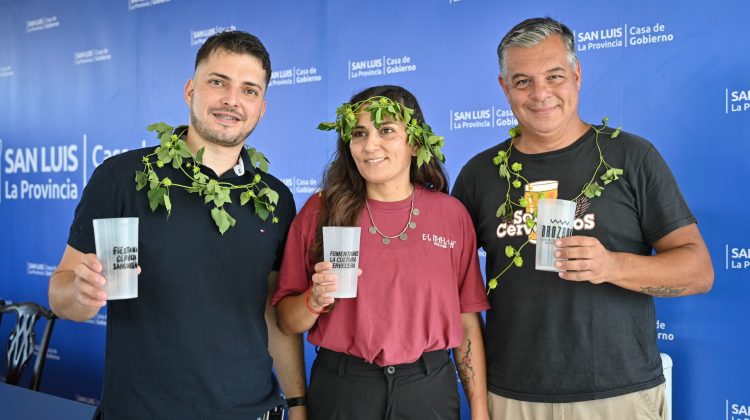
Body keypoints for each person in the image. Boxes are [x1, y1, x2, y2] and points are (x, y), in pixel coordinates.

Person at [452, 17, 714, 420]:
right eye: (523, 81)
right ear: (505, 88)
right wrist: (480, 405)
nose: (541, 93)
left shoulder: (631, 157)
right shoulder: (479, 174)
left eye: (554, 75)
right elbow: (457, 300)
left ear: (576, 75)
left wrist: (611, 265)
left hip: (619, 395)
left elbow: (698, 271)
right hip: (513, 399)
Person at [48, 31, 307, 420]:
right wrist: (81, 296)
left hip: (253, 411)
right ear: (190, 90)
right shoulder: (123, 177)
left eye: (249, 90)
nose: (232, 100)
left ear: (262, 108)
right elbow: (60, 291)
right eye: (218, 82)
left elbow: (272, 313)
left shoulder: (274, 198)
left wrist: (298, 404)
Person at [272, 85, 491, 420]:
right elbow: (286, 322)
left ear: (415, 142)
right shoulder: (321, 210)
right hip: (343, 391)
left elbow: (466, 319)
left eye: (386, 130)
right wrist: (313, 300)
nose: (370, 145)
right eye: (359, 133)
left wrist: (479, 411)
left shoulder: (451, 215)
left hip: (428, 389)